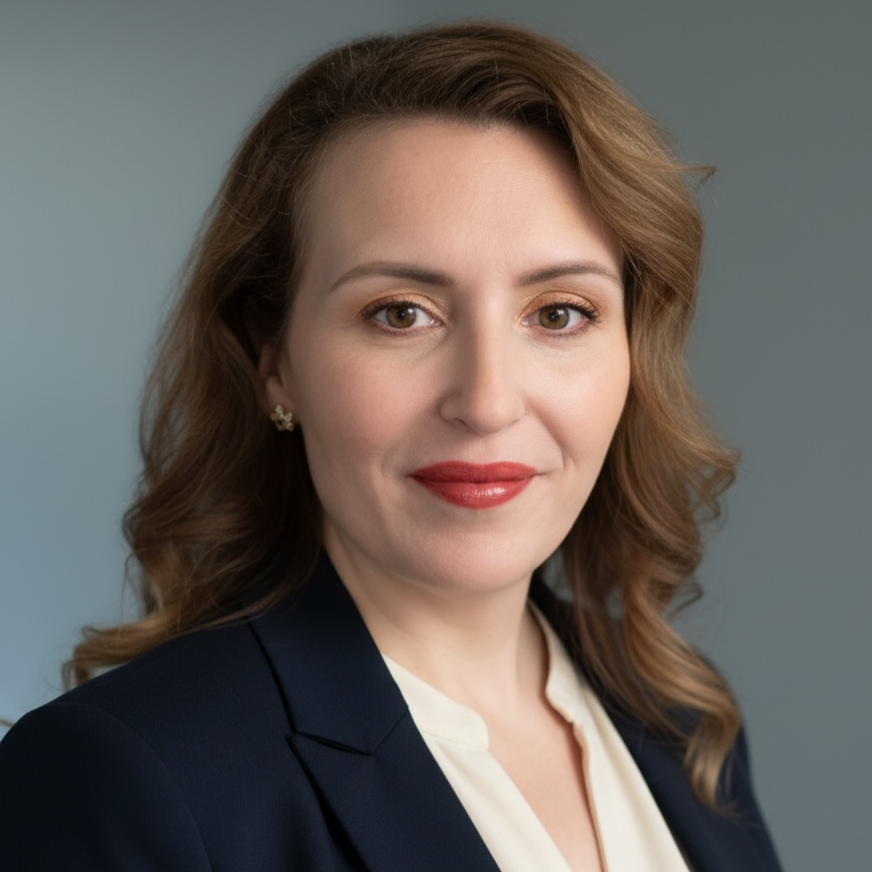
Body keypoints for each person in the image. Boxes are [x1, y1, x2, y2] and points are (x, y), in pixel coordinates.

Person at [0, 21, 783, 872]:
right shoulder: (120, 776)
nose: (486, 402)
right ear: (274, 361)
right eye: (400, 313)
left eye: (559, 313)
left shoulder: (682, 718)